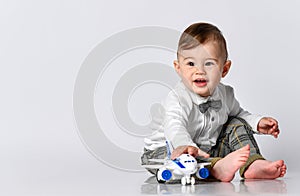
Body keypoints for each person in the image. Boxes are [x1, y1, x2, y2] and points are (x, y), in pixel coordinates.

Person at [141, 22, 287, 182]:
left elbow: (240, 114)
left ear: (224, 69)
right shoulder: (177, 98)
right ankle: (216, 168)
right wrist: (184, 146)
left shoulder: (226, 94)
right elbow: (174, 127)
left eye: (209, 63)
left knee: (236, 122)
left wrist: (257, 123)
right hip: (167, 149)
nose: (200, 71)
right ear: (178, 67)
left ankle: (253, 163)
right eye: (191, 63)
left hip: (207, 150)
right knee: (178, 163)